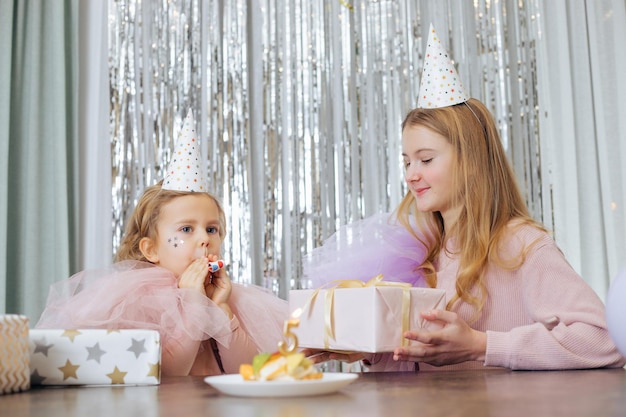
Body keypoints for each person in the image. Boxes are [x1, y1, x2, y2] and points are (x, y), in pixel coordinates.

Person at [305, 25, 626, 371]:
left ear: (471, 161)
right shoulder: (422, 253)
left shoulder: (521, 246)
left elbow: (605, 340)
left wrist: (481, 345)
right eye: (407, 161)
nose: (412, 174)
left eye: (426, 159)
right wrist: (366, 348)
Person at [36, 110, 289, 376]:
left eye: (212, 229)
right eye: (187, 229)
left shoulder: (233, 300)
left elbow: (251, 372)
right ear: (151, 249)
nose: (204, 239)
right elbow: (162, 375)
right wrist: (193, 302)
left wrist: (221, 308)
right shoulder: (137, 301)